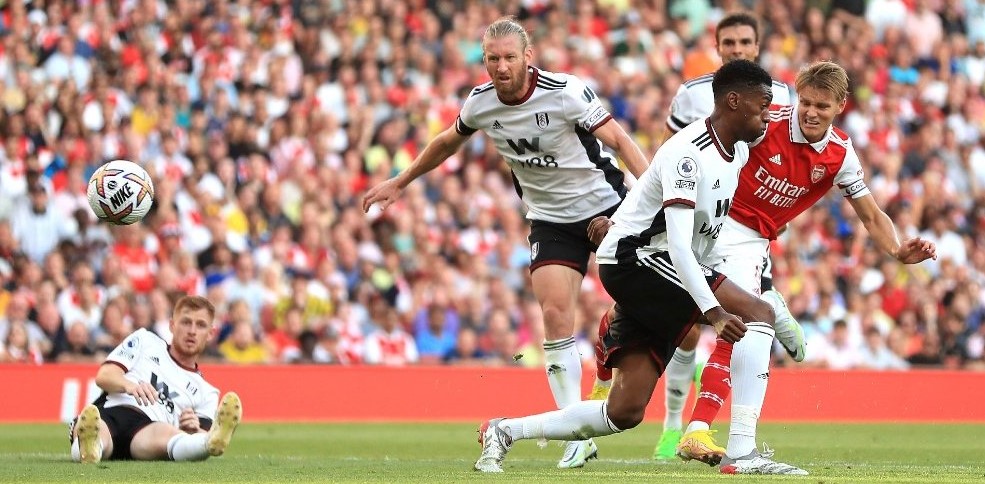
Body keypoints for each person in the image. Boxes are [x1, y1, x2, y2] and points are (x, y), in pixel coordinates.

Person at [594, 61, 937, 475]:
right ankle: (738, 448)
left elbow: (870, 215)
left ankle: (722, 435)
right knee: (753, 319)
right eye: (805, 102)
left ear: (840, 106)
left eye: (821, 106)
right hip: (714, 224)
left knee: (751, 321)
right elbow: (697, 154)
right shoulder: (763, 125)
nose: (810, 112)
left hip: (750, 242)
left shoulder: (840, 155)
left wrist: (898, 250)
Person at [362, 16, 650, 469]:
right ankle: (575, 433)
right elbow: (446, 141)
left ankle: (609, 350)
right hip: (550, 220)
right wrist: (401, 181)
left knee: (642, 299)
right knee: (555, 315)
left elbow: (618, 139)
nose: (500, 66)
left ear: (527, 58)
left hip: (608, 208)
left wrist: (647, 199)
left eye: (508, 57)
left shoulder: (565, 92)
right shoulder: (480, 104)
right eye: (491, 58)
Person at [473, 59, 773, 473]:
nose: (768, 115)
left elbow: (674, 220)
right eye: (763, 105)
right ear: (734, 102)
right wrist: (715, 313)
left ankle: (504, 431)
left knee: (625, 412)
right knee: (760, 312)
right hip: (636, 260)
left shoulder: (737, 152)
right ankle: (743, 453)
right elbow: (681, 249)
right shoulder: (688, 153)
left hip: (655, 264)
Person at [587, 12, 802, 462]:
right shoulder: (691, 100)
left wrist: (771, 212)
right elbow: (665, 168)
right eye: (730, 42)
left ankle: (699, 429)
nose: (738, 48)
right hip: (683, 228)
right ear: (718, 47)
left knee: (744, 313)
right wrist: (627, 218)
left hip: (732, 225)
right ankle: (684, 429)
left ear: (758, 47)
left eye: (746, 41)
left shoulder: (779, 99)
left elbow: (780, 165)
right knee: (710, 327)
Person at [68, 295, 242, 463]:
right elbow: (104, 375)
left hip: (148, 430)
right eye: (186, 322)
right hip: (112, 412)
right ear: (172, 325)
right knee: (97, 433)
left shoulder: (207, 392)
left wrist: (193, 430)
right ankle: (90, 449)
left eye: (201, 325)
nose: (192, 331)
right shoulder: (145, 340)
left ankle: (207, 443)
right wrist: (129, 386)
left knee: (172, 435)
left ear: (211, 334)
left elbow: (198, 430)